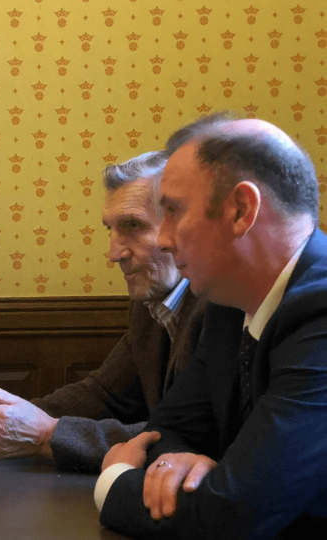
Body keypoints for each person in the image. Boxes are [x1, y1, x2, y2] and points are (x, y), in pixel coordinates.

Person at [96, 119, 327, 539]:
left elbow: (231, 516)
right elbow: (165, 432)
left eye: (173, 211)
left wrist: (115, 480)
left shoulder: (321, 313)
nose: (163, 240)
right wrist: (178, 464)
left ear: (240, 210)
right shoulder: (227, 304)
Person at [0, 150, 208, 472]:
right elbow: (105, 394)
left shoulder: (220, 306)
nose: (113, 253)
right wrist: (2, 417)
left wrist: (44, 433)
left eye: (133, 225)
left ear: (180, 225)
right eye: (110, 229)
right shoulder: (151, 303)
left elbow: (189, 439)